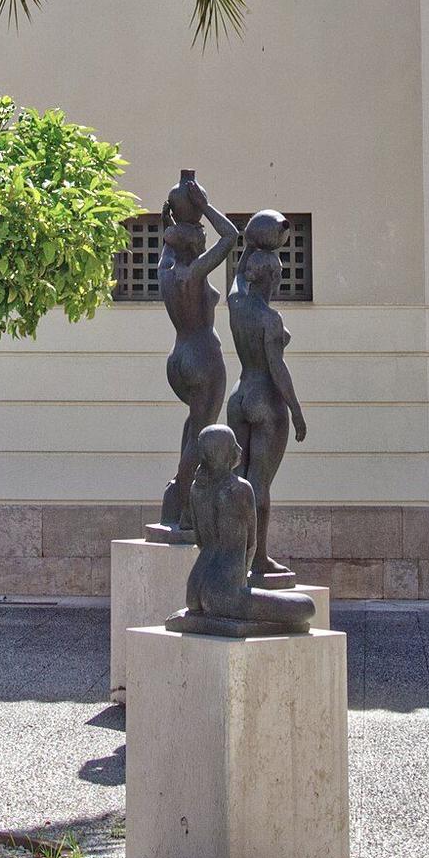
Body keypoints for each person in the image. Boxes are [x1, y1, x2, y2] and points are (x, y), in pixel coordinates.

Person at [155, 170, 239, 534]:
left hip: (178, 358)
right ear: (193, 242)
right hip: (203, 356)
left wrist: (178, 210)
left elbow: (172, 228)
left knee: (193, 429)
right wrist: (205, 208)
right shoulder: (192, 271)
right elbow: (231, 237)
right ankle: (187, 510)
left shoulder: (166, 266)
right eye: (200, 239)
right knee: (201, 433)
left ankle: (175, 495)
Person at [227, 209, 307, 577]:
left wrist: (251, 239)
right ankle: (257, 559)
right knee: (259, 484)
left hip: (238, 396)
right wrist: (296, 410)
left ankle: (232, 553)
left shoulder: (237, 303)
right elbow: (278, 369)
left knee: (236, 481)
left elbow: (237, 275)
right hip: (265, 400)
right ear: (272, 276)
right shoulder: (269, 319)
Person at [176, 424, 314, 633]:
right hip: (224, 591)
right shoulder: (239, 488)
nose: (239, 449)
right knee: (306, 607)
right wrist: (241, 583)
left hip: (194, 589)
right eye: (234, 445)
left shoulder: (197, 489)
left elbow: (200, 540)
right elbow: (251, 544)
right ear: (224, 453)